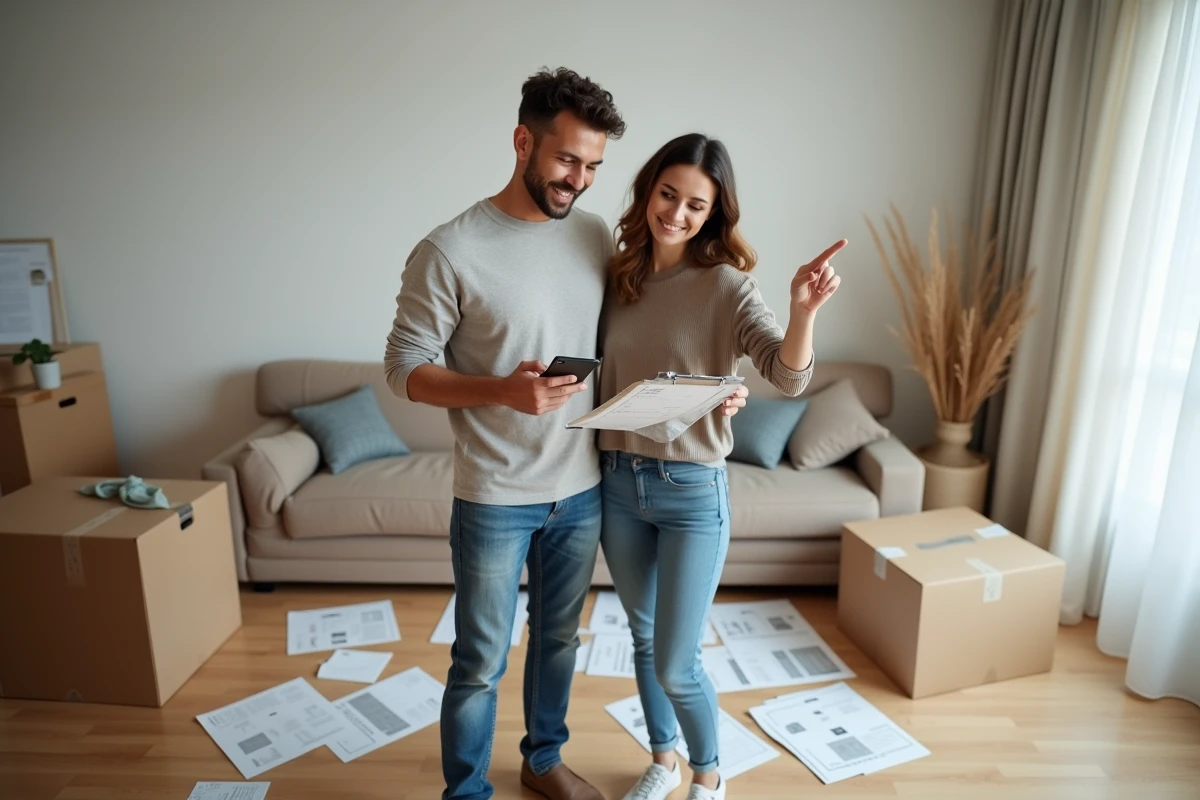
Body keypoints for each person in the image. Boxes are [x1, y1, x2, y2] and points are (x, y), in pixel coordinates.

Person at [383, 67, 626, 800]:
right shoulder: (449, 249)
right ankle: (466, 793)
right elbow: (403, 369)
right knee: (480, 660)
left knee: (558, 642)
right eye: (565, 160)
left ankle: (543, 760)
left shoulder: (592, 237)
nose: (578, 180)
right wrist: (502, 391)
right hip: (493, 495)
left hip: (581, 489)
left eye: (592, 167)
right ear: (523, 141)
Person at [596, 133, 844, 800]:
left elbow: (786, 378)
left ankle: (708, 775)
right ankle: (662, 760)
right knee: (643, 643)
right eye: (667, 194)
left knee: (677, 663)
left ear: (715, 215)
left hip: (690, 493)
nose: (676, 213)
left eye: (695, 205)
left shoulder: (727, 287)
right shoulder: (615, 277)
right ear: (649, 190)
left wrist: (803, 311)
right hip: (617, 484)